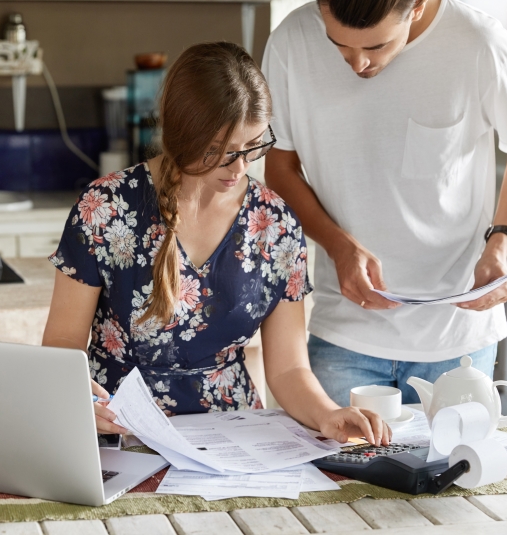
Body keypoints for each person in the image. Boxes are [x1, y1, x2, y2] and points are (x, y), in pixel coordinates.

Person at [42, 42, 390, 445]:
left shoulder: (275, 225)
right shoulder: (104, 208)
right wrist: (79, 398)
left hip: (234, 440)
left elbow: (288, 370)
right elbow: (63, 344)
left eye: (253, 146)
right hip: (118, 433)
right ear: (181, 135)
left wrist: (328, 414)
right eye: (218, 153)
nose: (240, 168)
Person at [262, 0, 507, 407]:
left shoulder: (479, 44)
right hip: (344, 332)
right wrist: (339, 247)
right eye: (338, 45)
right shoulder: (291, 42)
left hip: (457, 339)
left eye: (376, 46)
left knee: (453, 470)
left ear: (417, 5)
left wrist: (500, 242)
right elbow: (280, 169)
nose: (357, 63)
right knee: (337, 473)